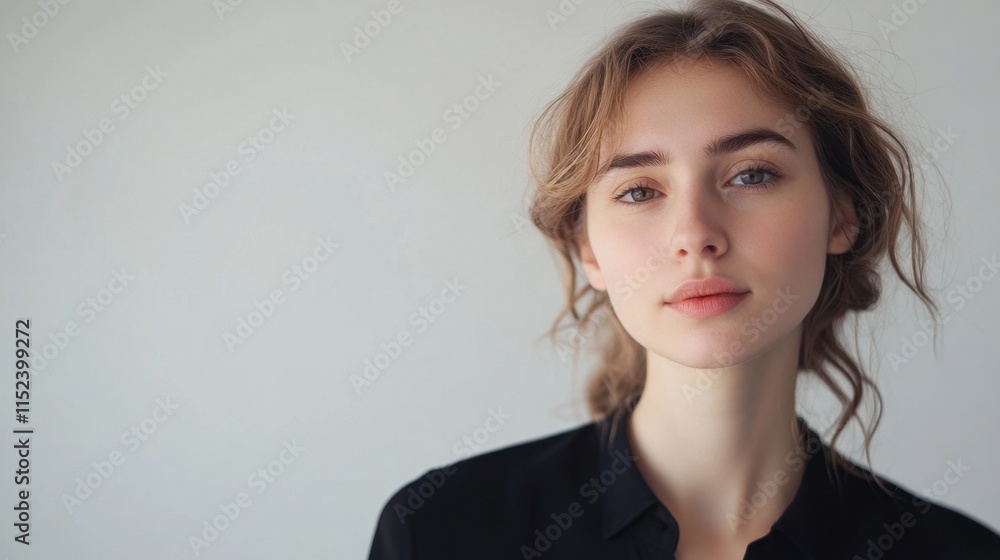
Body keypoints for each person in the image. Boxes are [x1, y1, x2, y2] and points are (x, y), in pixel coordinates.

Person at [366, 0, 1000, 558]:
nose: (694, 233)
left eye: (751, 175)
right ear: (588, 249)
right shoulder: (440, 531)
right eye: (640, 190)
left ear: (842, 216)